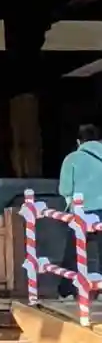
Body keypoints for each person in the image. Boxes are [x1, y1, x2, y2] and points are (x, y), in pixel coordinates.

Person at [56, 123, 102, 300]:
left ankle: (67, 291)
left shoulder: (72, 159)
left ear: (78, 141)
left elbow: (65, 189)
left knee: (73, 252)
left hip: (82, 212)